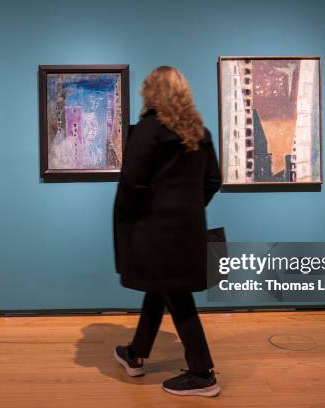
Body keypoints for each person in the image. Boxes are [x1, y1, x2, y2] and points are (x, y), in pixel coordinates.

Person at [112, 66, 221, 397]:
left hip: (155, 231)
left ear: (152, 93)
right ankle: (135, 353)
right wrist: (188, 208)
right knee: (162, 289)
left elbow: (132, 183)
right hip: (187, 230)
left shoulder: (148, 130)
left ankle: (203, 374)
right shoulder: (199, 132)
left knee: (178, 297)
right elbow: (213, 180)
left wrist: (128, 220)